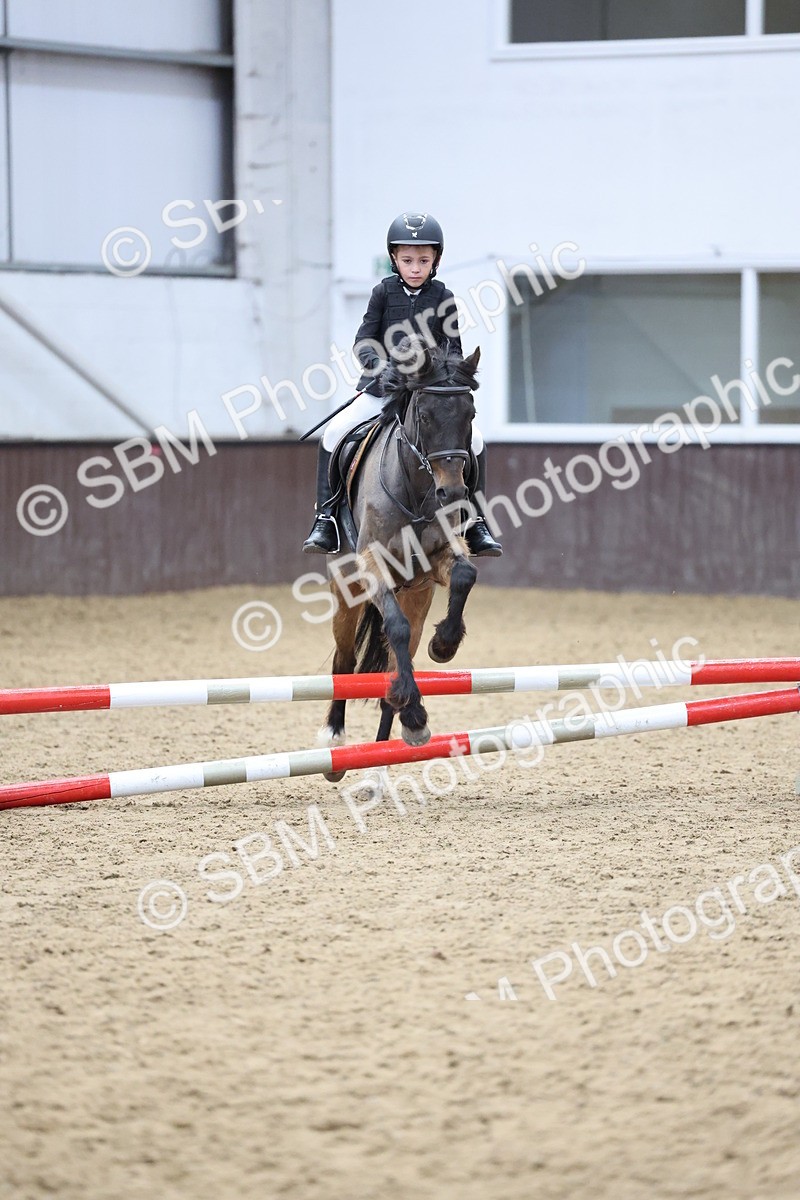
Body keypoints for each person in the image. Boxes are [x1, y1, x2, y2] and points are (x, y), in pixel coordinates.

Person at [302, 211, 502, 556]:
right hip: (382, 391)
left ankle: (476, 523)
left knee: (478, 442)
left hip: (427, 399)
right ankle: (326, 519)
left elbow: (453, 352)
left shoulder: (443, 297)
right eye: (407, 260)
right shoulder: (383, 292)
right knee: (334, 434)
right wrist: (380, 367)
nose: (415, 267)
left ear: (435, 260)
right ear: (394, 259)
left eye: (423, 260)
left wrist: (436, 376)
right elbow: (364, 340)